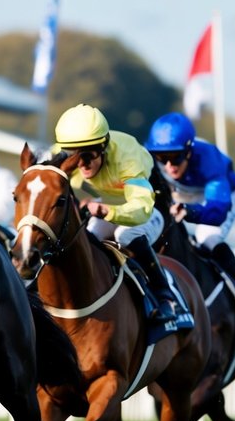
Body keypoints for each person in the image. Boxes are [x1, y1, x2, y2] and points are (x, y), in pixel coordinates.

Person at [53, 104, 180, 325]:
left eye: (88, 156)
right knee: (88, 239)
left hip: (150, 206)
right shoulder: (62, 153)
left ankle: (164, 295)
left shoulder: (127, 156)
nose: (81, 163)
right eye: (74, 155)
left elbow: (141, 209)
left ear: (103, 147)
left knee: (125, 236)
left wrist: (106, 211)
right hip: (110, 202)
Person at [145, 112, 235, 321]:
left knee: (207, 239)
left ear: (189, 151)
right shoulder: (150, 159)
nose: (168, 166)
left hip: (218, 196)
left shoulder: (209, 161)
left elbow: (218, 210)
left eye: (175, 157)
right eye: (161, 157)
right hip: (179, 193)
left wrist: (191, 211)